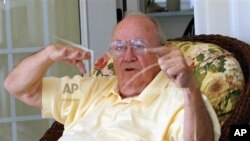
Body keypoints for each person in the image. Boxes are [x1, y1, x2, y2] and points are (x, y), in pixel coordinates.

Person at [4, 11, 220, 141]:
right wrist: (48, 55)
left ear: (160, 52)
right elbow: (17, 86)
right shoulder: (89, 89)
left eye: (138, 45)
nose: (128, 56)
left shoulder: (180, 99)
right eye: (118, 47)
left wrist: (190, 88)